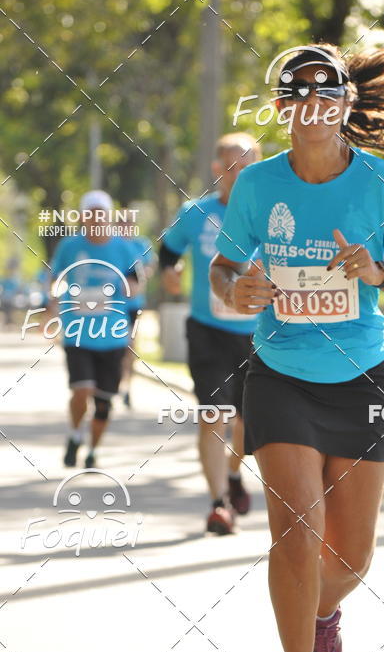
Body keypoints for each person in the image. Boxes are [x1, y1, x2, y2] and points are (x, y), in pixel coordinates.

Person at [211, 44, 384, 652]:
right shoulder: (256, 185)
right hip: (280, 373)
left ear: (344, 103)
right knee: (297, 538)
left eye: (327, 88)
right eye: (298, 90)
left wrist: (377, 272)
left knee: (350, 558)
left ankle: (322, 614)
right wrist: (238, 288)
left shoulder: (380, 183)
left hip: (365, 378)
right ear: (281, 107)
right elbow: (224, 271)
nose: (313, 100)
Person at [159, 133, 261, 535]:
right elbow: (168, 252)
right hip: (208, 330)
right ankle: (219, 503)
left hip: (258, 333)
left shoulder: (270, 213)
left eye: (246, 165)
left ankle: (234, 474)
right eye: (230, 165)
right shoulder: (195, 212)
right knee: (213, 415)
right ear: (217, 169)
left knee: (246, 423)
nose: (237, 173)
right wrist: (170, 274)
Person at [50, 190, 140, 469]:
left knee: (103, 403)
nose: (95, 219)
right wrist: (51, 305)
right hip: (77, 332)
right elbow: (55, 280)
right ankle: (76, 434)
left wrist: (116, 292)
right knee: (82, 390)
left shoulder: (124, 248)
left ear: (108, 216)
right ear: (83, 217)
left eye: (100, 213)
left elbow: (135, 285)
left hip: (112, 336)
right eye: (89, 214)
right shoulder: (70, 246)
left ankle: (91, 450)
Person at [120, 214, 155, 408]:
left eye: (128, 224)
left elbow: (149, 268)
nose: (125, 227)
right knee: (115, 347)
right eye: (121, 224)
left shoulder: (141, 245)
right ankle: (115, 383)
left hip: (134, 305)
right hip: (113, 306)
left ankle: (127, 388)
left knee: (130, 346)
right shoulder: (112, 245)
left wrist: (137, 280)